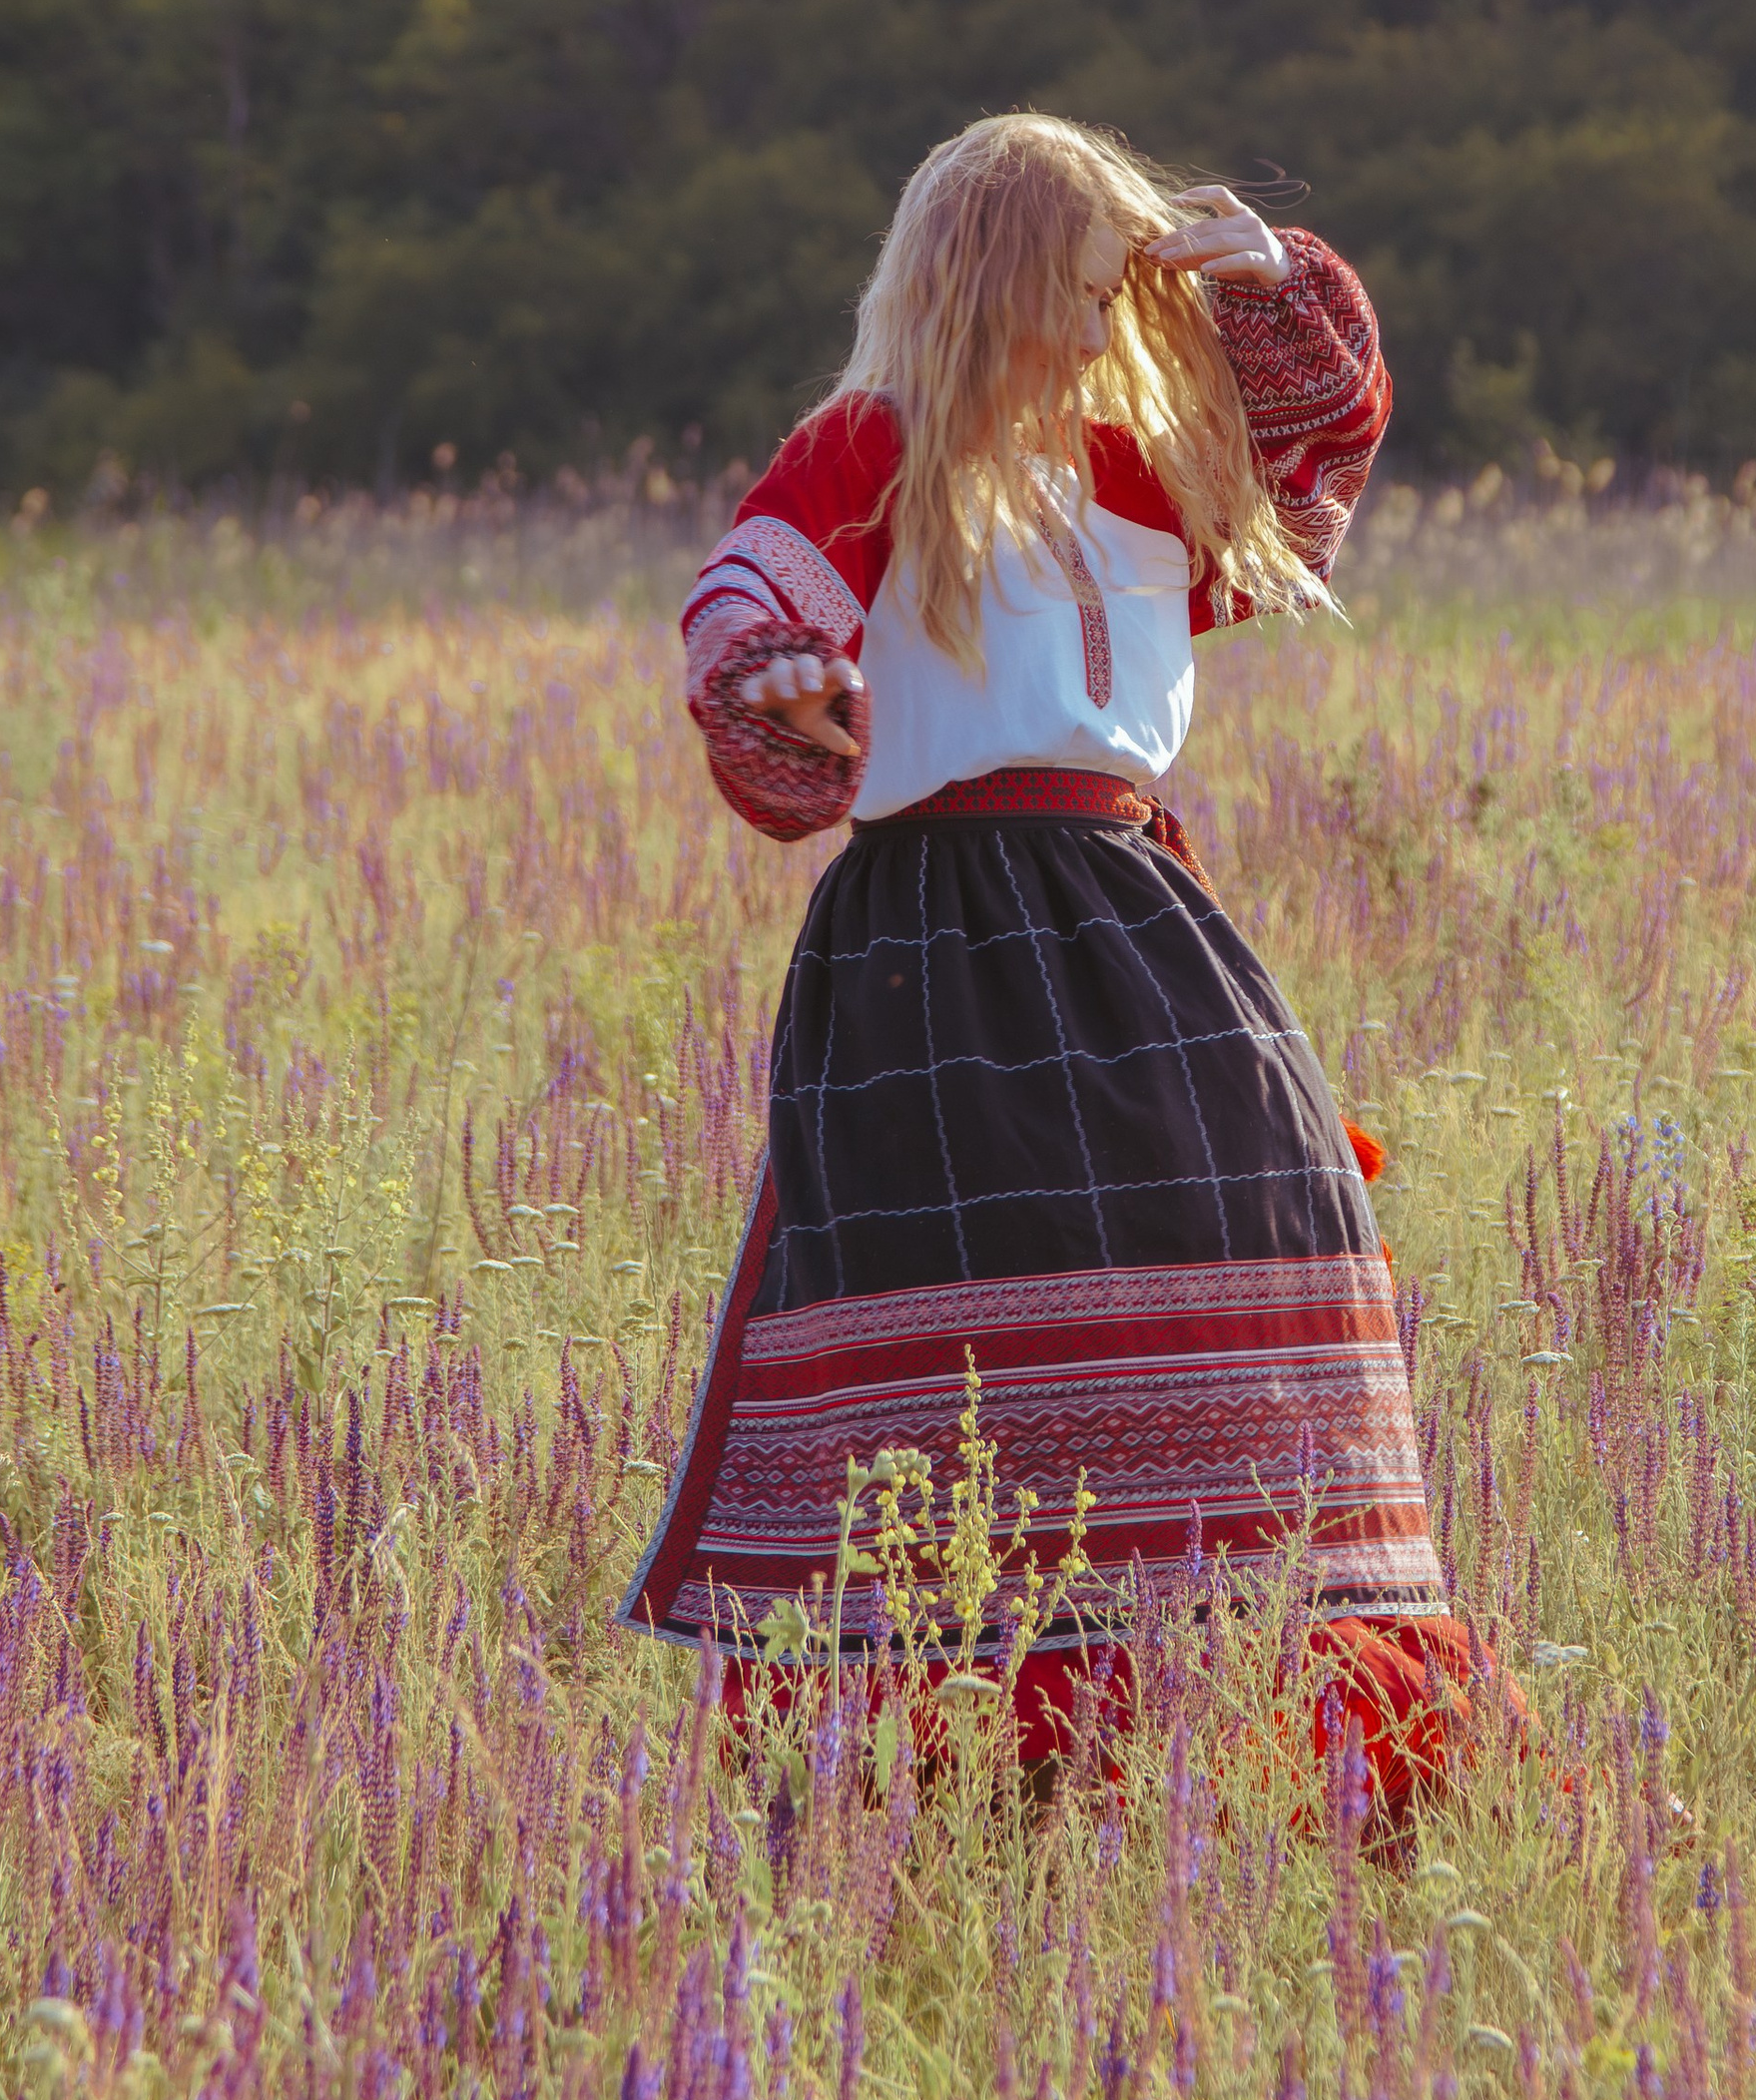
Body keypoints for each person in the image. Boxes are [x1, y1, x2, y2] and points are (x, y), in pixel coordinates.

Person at [621, 114, 1477, 1801]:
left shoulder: (1149, 477)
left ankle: (1248, 1731)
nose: (1103, 333)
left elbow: (1318, 457)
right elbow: (745, 602)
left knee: (1260, 1263)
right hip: (934, 953)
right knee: (968, 1361)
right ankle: (964, 1765)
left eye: (1117, 296)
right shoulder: (872, 446)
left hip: (1150, 933)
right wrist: (786, 685)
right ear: (995, 280)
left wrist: (1264, 275)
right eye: (1078, 293)